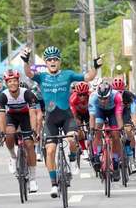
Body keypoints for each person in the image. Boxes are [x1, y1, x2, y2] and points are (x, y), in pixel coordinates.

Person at [21, 45, 101, 198]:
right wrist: (26, 61)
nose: (52, 62)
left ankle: (72, 161)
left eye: (55, 59)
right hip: (50, 120)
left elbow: (88, 77)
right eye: (49, 59)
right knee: (50, 151)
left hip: (66, 117)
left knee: (72, 139)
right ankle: (54, 184)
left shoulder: (68, 74)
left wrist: (95, 67)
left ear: (59, 62)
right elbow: (28, 73)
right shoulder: (42, 77)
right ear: (46, 62)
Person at [0, 69, 39, 193]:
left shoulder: (27, 94)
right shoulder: (2, 96)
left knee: (29, 145)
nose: (12, 84)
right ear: (6, 83)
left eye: (14, 81)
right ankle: (13, 157)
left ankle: (33, 179)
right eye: (10, 82)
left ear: (18, 81)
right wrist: (1, 132)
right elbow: (2, 117)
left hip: (26, 117)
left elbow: (33, 114)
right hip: (12, 117)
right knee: (9, 133)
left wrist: (34, 130)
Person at [89, 81, 124, 181]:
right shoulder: (93, 97)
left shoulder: (117, 96)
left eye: (105, 98)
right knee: (97, 128)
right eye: (101, 98)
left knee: (116, 135)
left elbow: (118, 115)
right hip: (99, 111)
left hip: (113, 111)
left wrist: (121, 129)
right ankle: (97, 155)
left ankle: (116, 162)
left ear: (110, 94)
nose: (103, 100)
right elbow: (92, 116)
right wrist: (92, 129)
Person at [111, 77, 136, 172]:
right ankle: (114, 159)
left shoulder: (129, 95)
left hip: (125, 113)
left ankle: (132, 160)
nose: (119, 94)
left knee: (129, 132)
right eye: (116, 91)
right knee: (113, 135)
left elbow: (135, 110)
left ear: (124, 90)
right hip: (113, 114)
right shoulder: (110, 95)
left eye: (121, 91)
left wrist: (134, 123)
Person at [69, 81, 91, 160]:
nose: (82, 97)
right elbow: (74, 115)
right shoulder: (73, 99)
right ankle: (84, 149)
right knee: (79, 129)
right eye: (80, 95)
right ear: (76, 93)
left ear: (87, 93)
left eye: (84, 94)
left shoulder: (91, 96)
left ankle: (91, 141)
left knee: (92, 127)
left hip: (88, 112)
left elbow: (94, 112)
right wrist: (78, 124)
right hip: (78, 114)